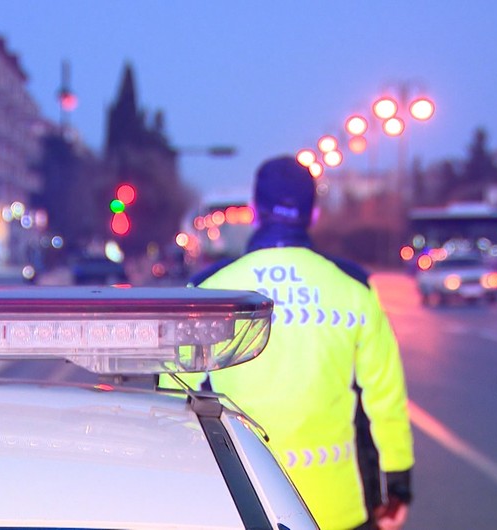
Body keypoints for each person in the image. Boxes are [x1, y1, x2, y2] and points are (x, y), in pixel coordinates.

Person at [174, 155, 415, 529]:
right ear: (314, 214)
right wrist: (396, 482)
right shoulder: (353, 288)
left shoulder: (209, 290)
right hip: (336, 507)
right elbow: (385, 397)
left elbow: (174, 395)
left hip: (240, 502)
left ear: (255, 211)